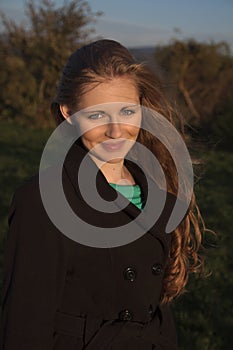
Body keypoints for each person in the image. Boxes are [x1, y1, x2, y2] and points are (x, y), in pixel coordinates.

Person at [0, 39, 204, 350]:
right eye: (97, 115)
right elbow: (25, 326)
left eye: (127, 111)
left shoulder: (157, 191)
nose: (116, 130)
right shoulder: (42, 200)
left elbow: (156, 313)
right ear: (70, 113)